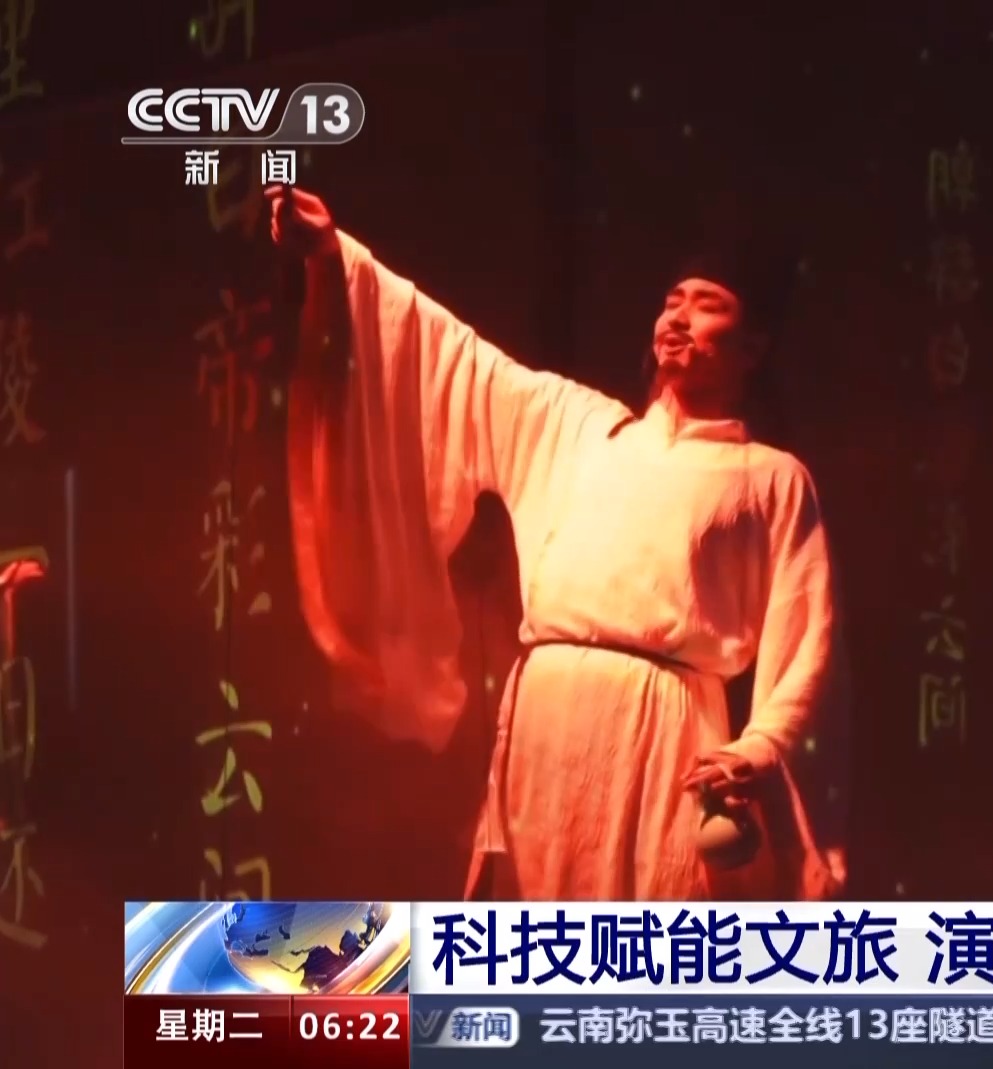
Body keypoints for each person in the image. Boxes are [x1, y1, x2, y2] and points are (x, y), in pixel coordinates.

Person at [267, 184, 846, 902]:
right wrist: (335, 255)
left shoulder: (771, 477)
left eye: (708, 305)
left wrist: (760, 746)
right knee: (528, 924)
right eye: (673, 301)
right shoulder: (576, 426)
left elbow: (809, 641)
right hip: (546, 726)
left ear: (752, 345)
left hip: (663, 736)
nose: (678, 317)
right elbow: (452, 357)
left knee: (645, 930)